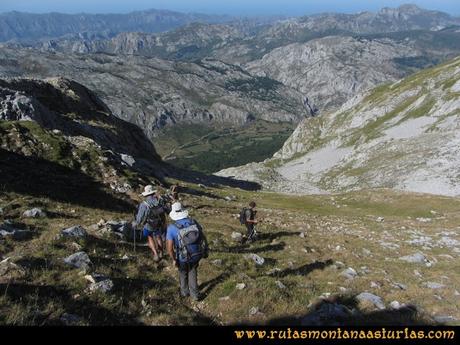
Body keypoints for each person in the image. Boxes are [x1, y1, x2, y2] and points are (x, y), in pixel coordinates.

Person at [166, 202, 208, 301]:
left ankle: (185, 292)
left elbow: (169, 248)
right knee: (193, 271)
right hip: (197, 253)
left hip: (182, 256)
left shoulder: (171, 228)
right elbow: (202, 236)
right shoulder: (193, 222)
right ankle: (195, 295)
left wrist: (174, 259)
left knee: (183, 272)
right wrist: (205, 249)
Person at [133, 185, 166, 262]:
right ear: (152, 193)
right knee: (158, 237)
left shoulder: (144, 204)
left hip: (149, 224)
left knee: (150, 237)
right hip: (159, 222)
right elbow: (163, 211)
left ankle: (156, 254)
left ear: (146, 194)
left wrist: (136, 223)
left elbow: (140, 217)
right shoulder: (159, 201)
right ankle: (161, 252)